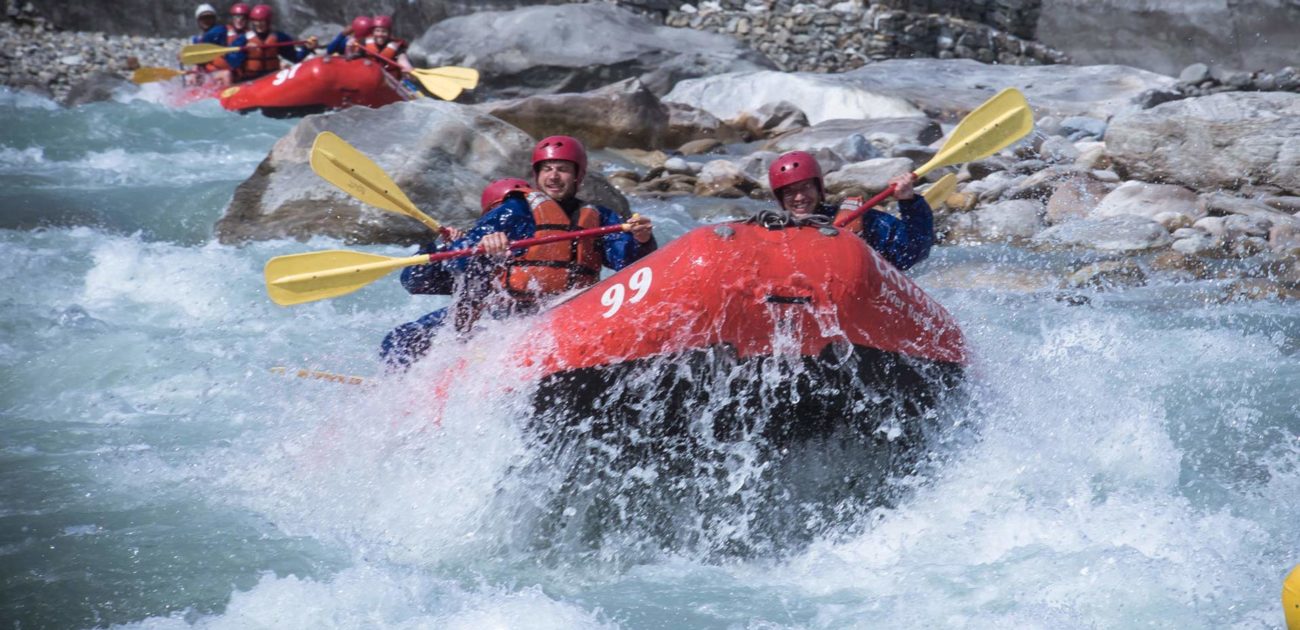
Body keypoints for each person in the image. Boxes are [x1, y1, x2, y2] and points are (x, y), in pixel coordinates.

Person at [380, 138, 657, 368]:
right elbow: (461, 258)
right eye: (547, 169)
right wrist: (483, 246)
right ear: (536, 176)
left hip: (570, 308)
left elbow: (630, 264)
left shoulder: (600, 217)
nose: (553, 176)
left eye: (562, 169)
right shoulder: (514, 211)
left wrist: (641, 239)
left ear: (578, 176)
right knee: (400, 339)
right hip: (508, 314)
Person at [767, 150, 933, 271]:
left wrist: (909, 203)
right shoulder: (771, 231)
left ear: (819, 189)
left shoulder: (860, 218)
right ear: (780, 198)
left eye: (806, 187)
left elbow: (913, 252)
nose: (799, 197)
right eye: (789, 192)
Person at [223, 4, 317, 82]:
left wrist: (307, 48)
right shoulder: (243, 39)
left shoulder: (279, 37)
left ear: (268, 22)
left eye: (262, 21)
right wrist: (244, 51)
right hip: (250, 80)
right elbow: (232, 62)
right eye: (256, 21)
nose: (259, 25)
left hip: (272, 78)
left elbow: (295, 58)